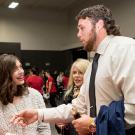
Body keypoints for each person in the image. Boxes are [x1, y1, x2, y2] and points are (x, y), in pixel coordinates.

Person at [11, 4, 135, 135]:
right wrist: (38, 114)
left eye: (82, 28)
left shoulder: (126, 48)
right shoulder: (93, 65)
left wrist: (94, 125)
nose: (78, 34)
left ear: (99, 25)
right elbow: (77, 108)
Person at [0, 54, 51, 135]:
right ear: (4, 73)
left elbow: (45, 128)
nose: (21, 71)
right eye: (15, 69)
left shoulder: (35, 95)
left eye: (20, 67)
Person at [55, 58, 90, 135]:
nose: (76, 76)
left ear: (88, 74)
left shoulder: (93, 95)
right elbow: (61, 118)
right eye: (74, 73)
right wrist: (59, 124)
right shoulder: (68, 95)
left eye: (80, 73)